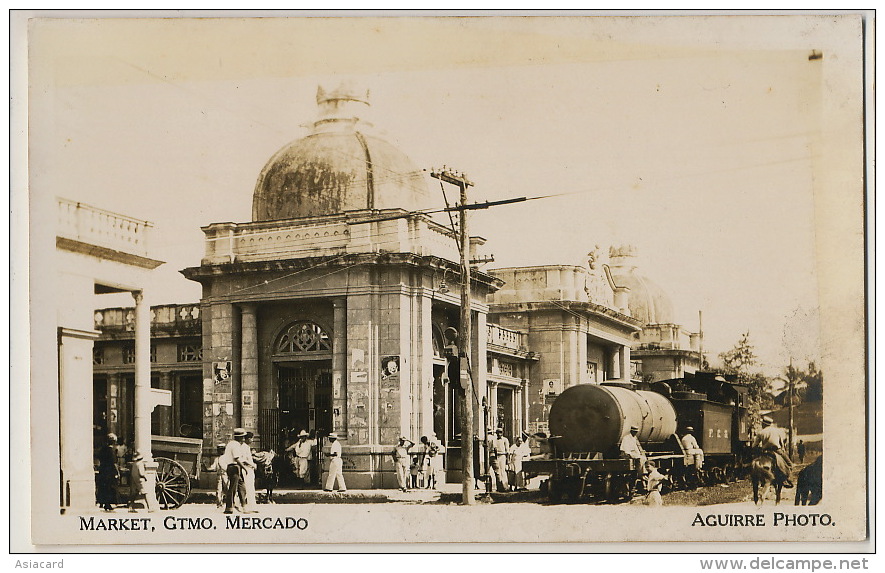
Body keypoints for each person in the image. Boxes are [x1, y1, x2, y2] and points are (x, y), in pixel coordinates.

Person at [753, 416, 794, 488]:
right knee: (789, 464)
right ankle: (786, 479)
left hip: (765, 451)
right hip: (777, 450)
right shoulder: (777, 431)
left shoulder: (761, 432)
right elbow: (781, 443)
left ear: (763, 424)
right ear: (770, 424)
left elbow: (754, 445)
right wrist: (783, 450)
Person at [221, 428, 249, 514]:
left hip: (232, 467)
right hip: (234, 467)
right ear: (240, 438)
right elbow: (236, 458)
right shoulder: (236, 445)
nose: (244, 440)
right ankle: (229, 507)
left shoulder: (230, 444)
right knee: (233, 488)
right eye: (243, 437)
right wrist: (244, 468)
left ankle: (244, 507)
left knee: (241, 487)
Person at [96, 433, 119, 511]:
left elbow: (99, 459)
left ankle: (102, 502)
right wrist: (117, 472)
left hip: (102, 470)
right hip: (109, 471)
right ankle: (107, 504)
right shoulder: (111, 450)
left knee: (102, 487)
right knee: (109, 487)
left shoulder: (102, 449)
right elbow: (114, 462)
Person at [241, 432, 259, 512]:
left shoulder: (246, 447)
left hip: (249, 469)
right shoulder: (244, 447)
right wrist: (253, 464)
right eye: (251, 438)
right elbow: (244, 460)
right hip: (247, 469)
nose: (252, 440)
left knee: (250, 488)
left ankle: (251, 506)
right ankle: (251, 507)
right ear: (248, 439)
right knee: (249, 488)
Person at [490, 428, 510, 492]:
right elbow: (494, 448)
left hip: (502, 456)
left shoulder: (505, 440)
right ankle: (499, 486)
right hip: (496, 456)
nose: (499, 434)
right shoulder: (494, 439)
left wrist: (507, 460)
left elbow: (507, 450)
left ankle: (505, 486)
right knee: (498, 472)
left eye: (500, 432)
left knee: (503, 471)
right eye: (498, 432)